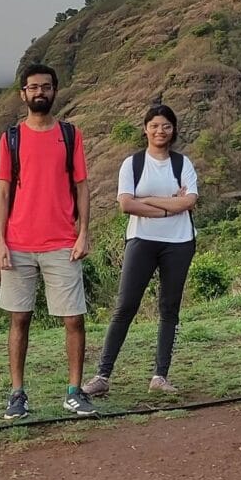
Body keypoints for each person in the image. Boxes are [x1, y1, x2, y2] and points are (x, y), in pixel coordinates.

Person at [0, 64, 96, 419]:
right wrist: (1, 242)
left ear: (55, 91)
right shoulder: (11, 138)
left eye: (46, 87)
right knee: (19, 318)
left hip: (62, 242)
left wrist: (84, 232)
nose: (40, 93)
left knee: (74, 320)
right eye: (34, 87)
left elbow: (82, 186)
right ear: (23, 93)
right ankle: (17, 393)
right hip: (19, 243)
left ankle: (74, 391)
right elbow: (3, 192)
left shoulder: (70, 134)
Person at [85, 103, 199, 398]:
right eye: (154, 125)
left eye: (166, 126)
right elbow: (126, 204)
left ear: (173, 130)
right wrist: (165, 207)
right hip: (142, 240)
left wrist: (146, 199)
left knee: (169, 308)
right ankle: (102, 375)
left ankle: (160, 376)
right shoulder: (132, 164)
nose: (160, 131)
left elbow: (188, 203)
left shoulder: (182, 163)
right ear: (145, 129)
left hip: (180, 242)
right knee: (125, 306)